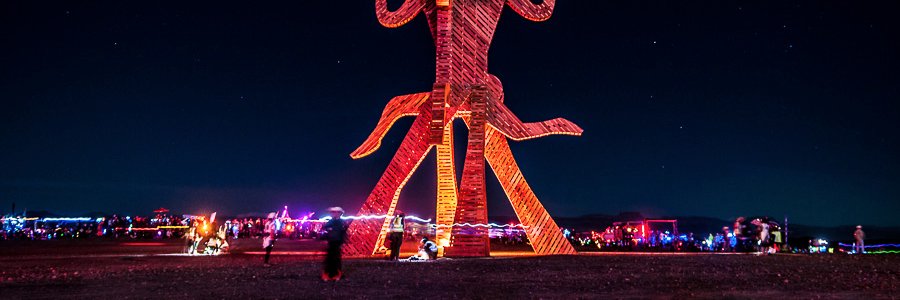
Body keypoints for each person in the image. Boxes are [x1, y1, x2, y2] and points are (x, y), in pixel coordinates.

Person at [322, 207, 347, 281]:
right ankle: (329, 274)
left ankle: (336, 274)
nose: (335, 214)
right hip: (332, 242)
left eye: (337, 212)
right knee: (330, 259)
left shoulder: (341, 222)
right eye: (333, 212)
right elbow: (325, 227)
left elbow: (343, 232)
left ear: (340, 213)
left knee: (335, 259)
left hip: (337, 242)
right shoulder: (333, 222)